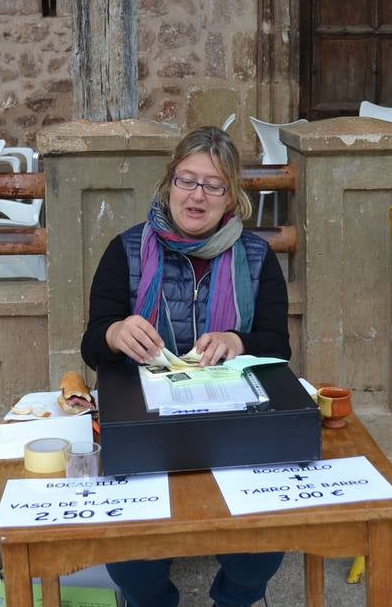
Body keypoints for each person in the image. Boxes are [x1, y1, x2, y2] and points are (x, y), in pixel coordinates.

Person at [81, 126, 291, 607]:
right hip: (147, 425)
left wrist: (237, 340)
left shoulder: (257, 258)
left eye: (213, 184)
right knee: (132, 557)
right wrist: (115, 334)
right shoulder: (127, 250)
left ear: (232, 197)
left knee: (262, 545)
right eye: (186, 180)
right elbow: (93, 344)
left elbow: (278, 348)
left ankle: (234, 600)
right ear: (168, 184)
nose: (197, 195)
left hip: (232, 424)